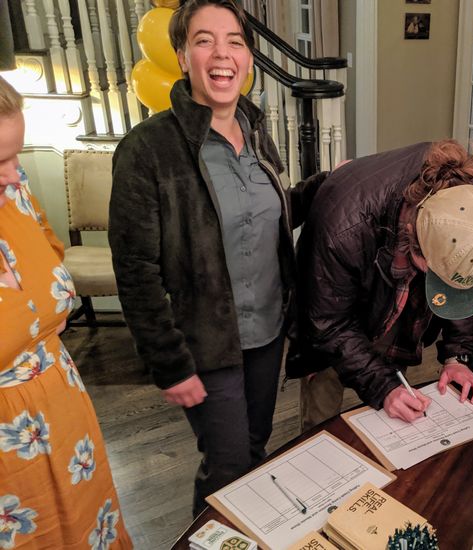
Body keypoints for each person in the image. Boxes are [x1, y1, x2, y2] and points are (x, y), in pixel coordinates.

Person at [108, 0, 325, 516]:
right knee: (226, 465)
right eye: (204, 40)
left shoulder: (255, 133)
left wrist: (326, 187)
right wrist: (170, 364)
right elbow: (135, 271)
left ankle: (245, 535)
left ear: (248, 58)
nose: (221, 53)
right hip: (207, 344)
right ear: (182, 56)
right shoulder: (148, 151)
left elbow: (265, 216)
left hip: (268, 331)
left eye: (235, 41)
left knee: (254, 448)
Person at [286, 141, 473, 429]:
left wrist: (456, 357)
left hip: (400, 303)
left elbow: (461, 283)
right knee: (323, 417)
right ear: (414, 242)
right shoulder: (341, 224)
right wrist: (383, 387)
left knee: (394, 410)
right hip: (331, 312)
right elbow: (328, 325)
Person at [0, 76, 132, 548]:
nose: (15, 173)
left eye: (16, 154)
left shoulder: (14, 191)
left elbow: (50, 261)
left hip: (65, 419)